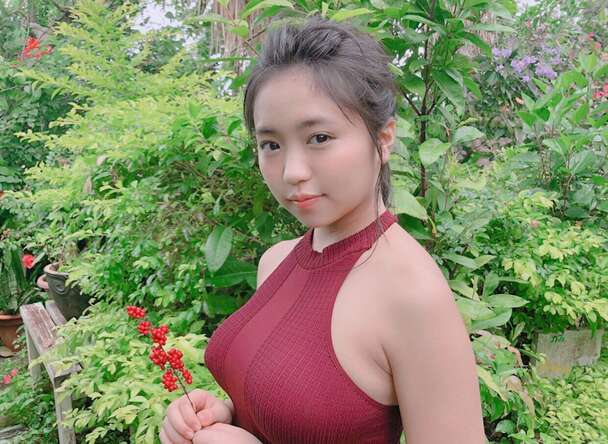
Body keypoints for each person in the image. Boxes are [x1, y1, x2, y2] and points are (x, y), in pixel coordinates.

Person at [160, 14, 485, 444]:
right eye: (271, 144)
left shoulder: (411, 294)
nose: (292, 172)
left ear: (383, 138)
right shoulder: (276, 261)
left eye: (319, 138)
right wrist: (222, 415)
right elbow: (289, 409)